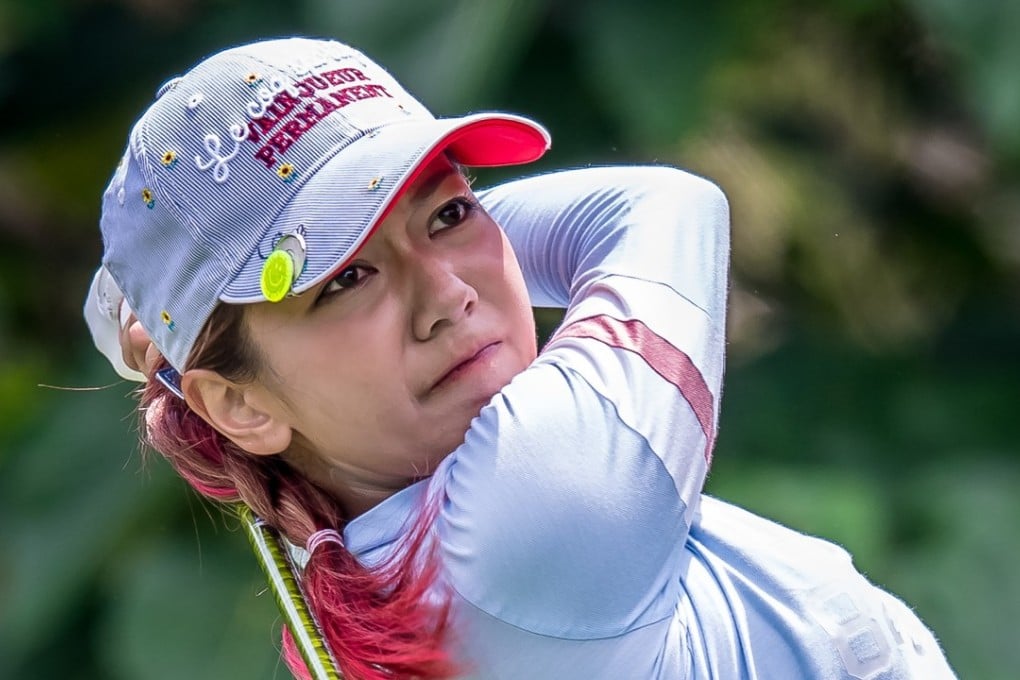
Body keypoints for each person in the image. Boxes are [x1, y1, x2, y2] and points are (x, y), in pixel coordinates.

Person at [84, 36, 957, 680]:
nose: (448, 296)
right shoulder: (536, 504)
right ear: (240, 407)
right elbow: (658, 204)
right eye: (345, 278)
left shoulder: (363, 582)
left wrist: (189, 306)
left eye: (451, 214)